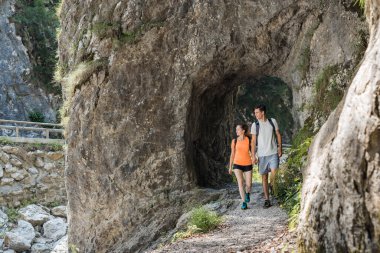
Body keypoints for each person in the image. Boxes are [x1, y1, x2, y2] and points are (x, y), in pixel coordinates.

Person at [251, 104, 282, 208]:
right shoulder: (255, 125)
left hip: (273, 153)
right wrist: (253, 156)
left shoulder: (272, 121)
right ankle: (267, 200)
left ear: (263, 112)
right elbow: (253, 141)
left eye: (257, 112)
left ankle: (273, 189)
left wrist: (280, 148)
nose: (255, 114)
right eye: (255, 113)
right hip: (262, 155)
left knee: (274, 176)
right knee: (264, 178)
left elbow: (278, 134)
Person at [229, 124, 253, 210]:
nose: (236, 131)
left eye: (238, 129)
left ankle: (247, 194)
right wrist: (230, 166)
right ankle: (243, 202)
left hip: (247, 163)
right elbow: (232, 154)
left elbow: (252, 151)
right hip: (237, 164)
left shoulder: (249, 140)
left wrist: (255, 157)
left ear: (243, 131)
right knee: (240, 183)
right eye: (236, 129)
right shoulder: (234, 141)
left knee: (249, 184)